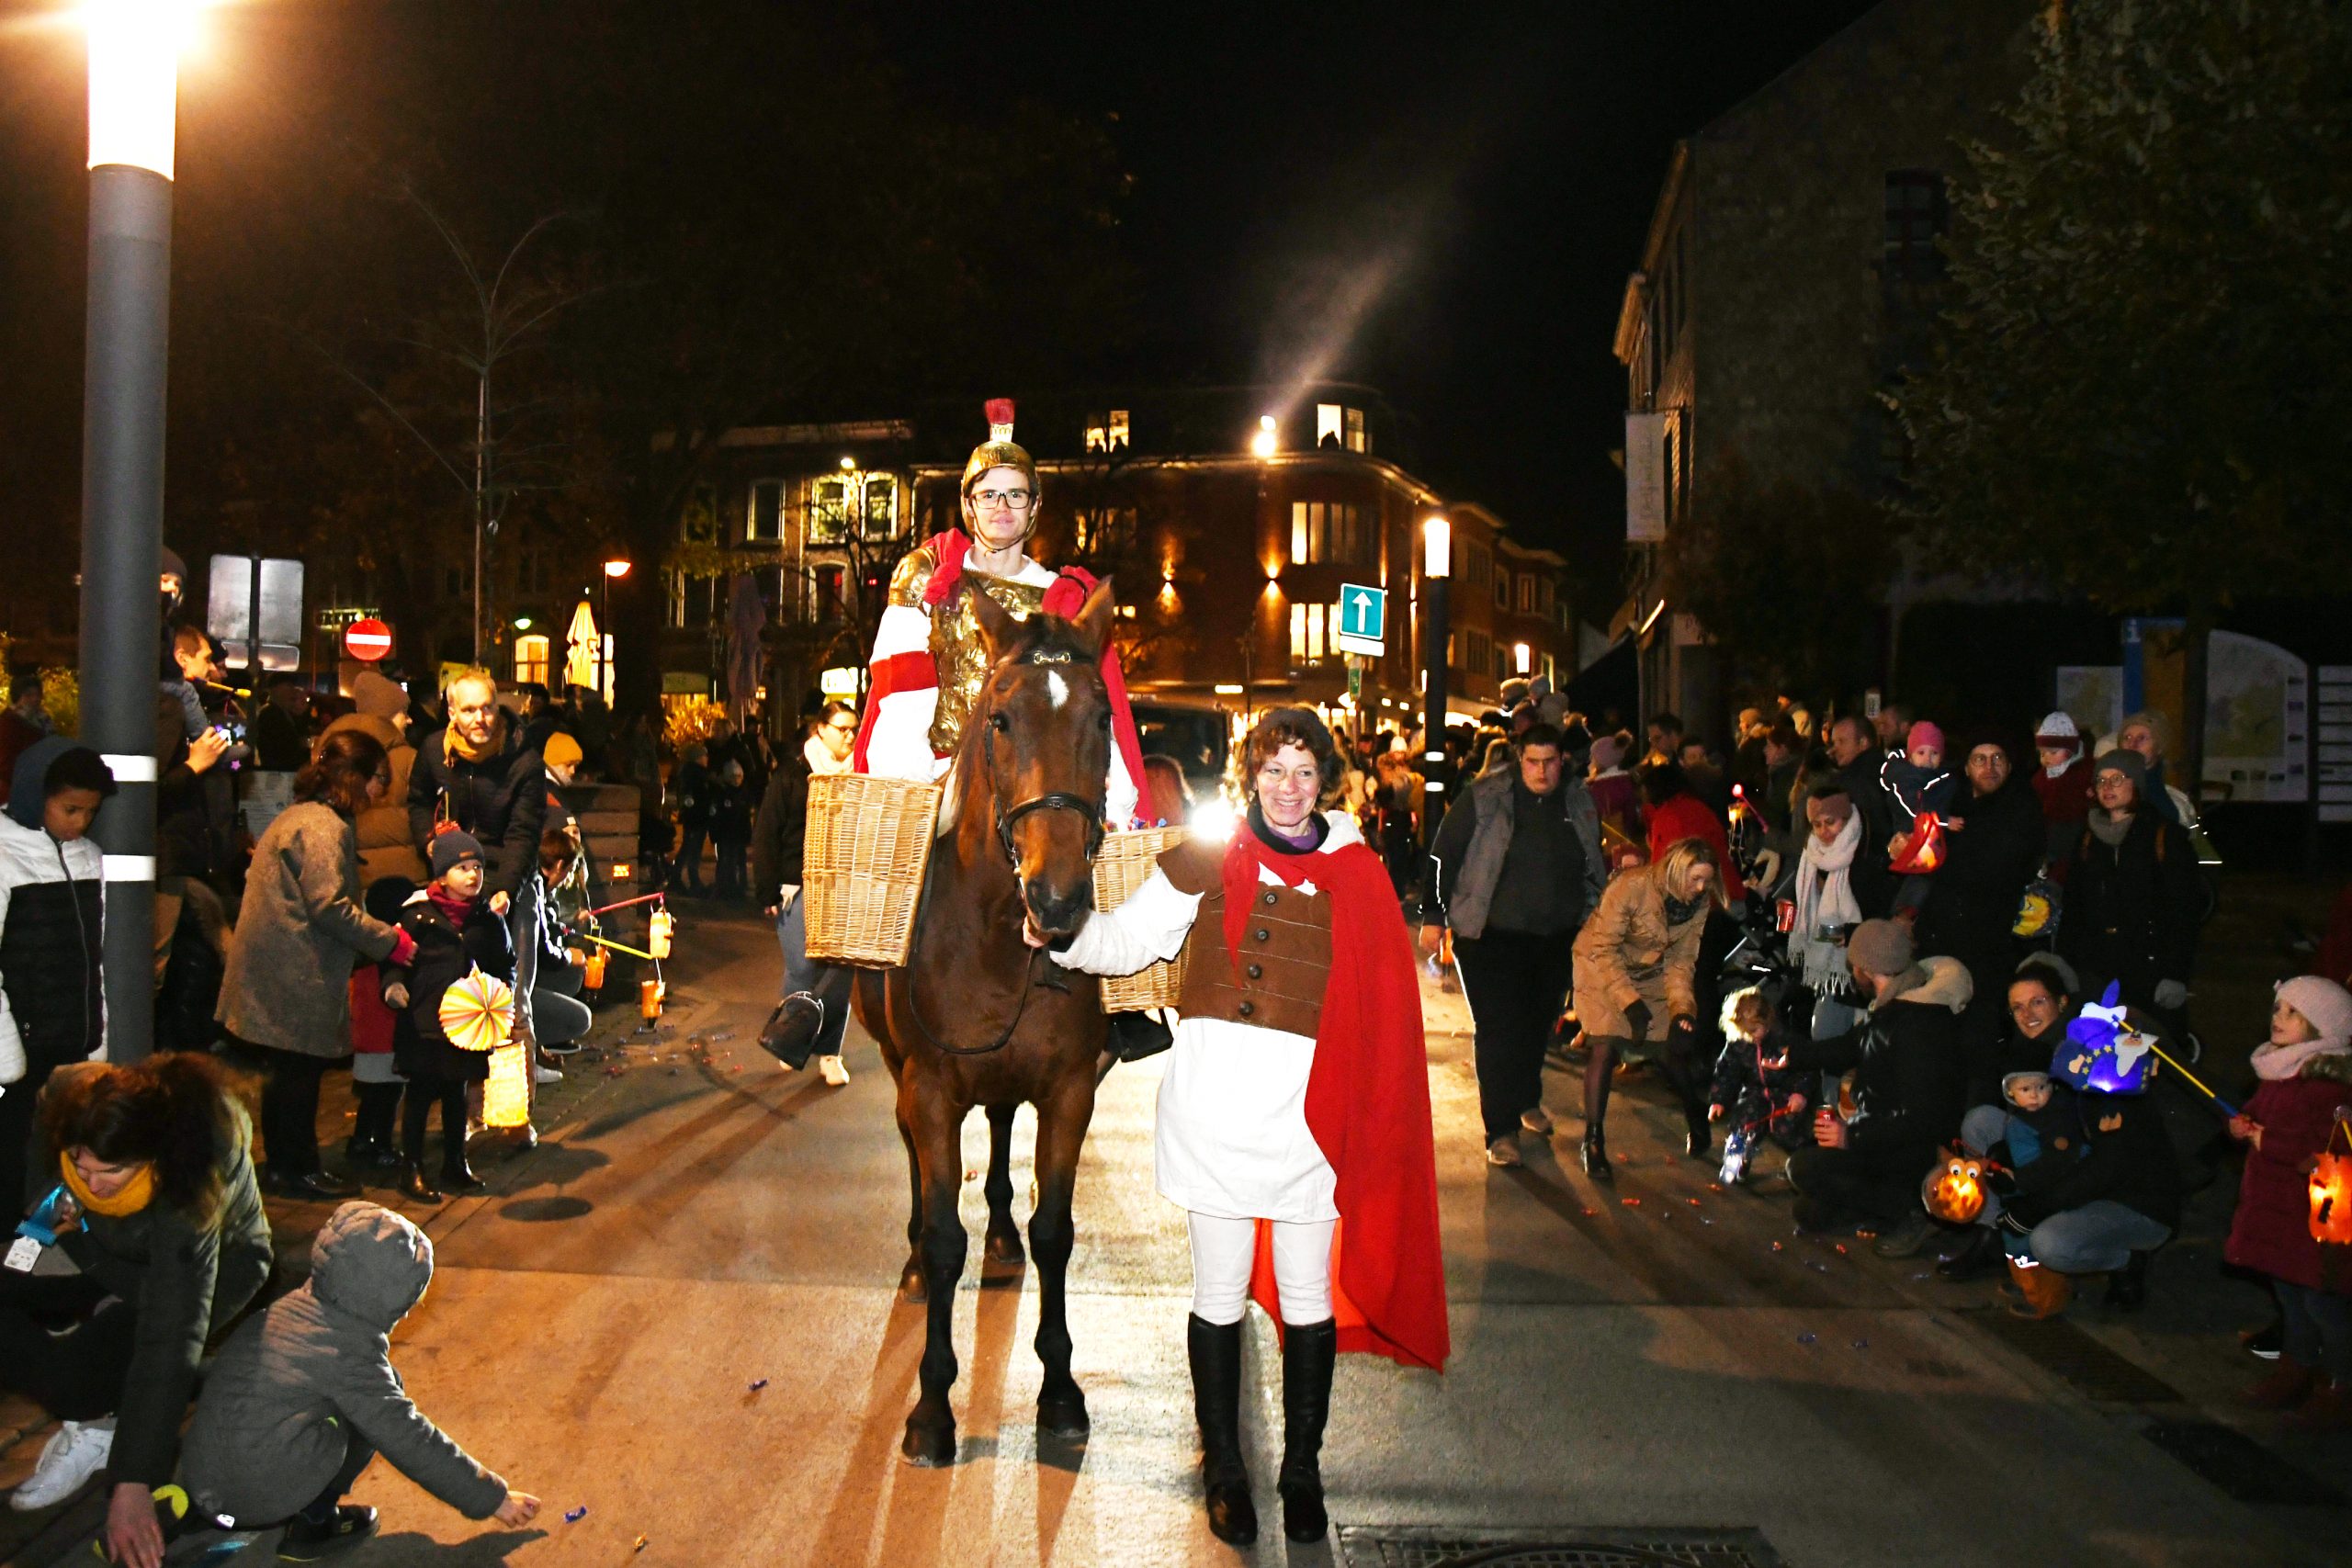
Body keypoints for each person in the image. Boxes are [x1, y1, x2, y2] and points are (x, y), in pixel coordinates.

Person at [1043, 707, 1447, 1546]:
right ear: (1250, 776)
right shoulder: (1207, 854)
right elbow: (1129, 940)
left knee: (1306, 1301)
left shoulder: (1358, 872)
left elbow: (1383, 1014)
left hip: (1310, 1122)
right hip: (1215, 1110)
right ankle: (1223, 1464)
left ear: (1324, 781)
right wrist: (1066, 934)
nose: (1288, 789)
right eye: (1273, 770)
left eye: (1303, 772)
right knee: (1217, 1295)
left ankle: (1303, 1466)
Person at [858, 403, 1167, 1060]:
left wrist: (1113, 799)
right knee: (869, 859)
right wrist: (918, 782)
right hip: (945, 768)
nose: (1003, 506)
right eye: (990, 494)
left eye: (1016, 495)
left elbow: (1090, 703)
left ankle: (1122, 1004)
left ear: (1034, 507)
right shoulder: (928, 585)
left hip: (1041, 770)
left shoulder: (1062, 593)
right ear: (969, 505)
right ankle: (824, 986)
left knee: (1087, 843)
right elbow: (901, 691)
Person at [0, 1054, 270, 1568]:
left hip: (203, 1273)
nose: (93, 1183)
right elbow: (42, 1167)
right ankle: (113, 1363)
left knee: (82, 1379)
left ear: (152, 1159)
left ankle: (114, 1423)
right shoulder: (70, 1095)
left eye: (111, 1172)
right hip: (101, 1250)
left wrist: (134, 1482)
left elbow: (171, 1331)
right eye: (81, 1166)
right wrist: (54, 1207)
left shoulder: (192, 1178)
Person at [183, 1201, 538, 1554]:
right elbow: (409, 1437)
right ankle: (315, 1523)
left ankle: (224, 1514)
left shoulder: (286, 1310)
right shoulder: (347, 1357)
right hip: (251, 1498)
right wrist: (493, 1498)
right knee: (373, 1411)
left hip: (202, 1486)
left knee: (347, 1399)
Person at [218, 730, 413, 1201]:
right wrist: (390, 942)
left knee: (284, 1076)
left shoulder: (298, 817)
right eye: (377, 779)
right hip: (293, 971)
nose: (379, 792)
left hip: (272, 968)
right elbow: (329, 905)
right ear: (354, 776)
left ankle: (285, 1167)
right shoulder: (326, 826)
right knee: (298, 1077)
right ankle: (296, 1168)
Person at [1429, 723, 1604, 1168]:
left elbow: (1590, 858)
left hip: (1555, 934)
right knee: (1499, 1027)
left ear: (1562, 760)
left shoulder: (1578, 799)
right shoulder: (1487, 796)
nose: (1542, 771)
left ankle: (1527, 1099)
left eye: (1550, 762)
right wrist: (1433, 914)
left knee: (1536, 1023)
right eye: (1533, 761)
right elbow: (1443, 852)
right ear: (1518, 759)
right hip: (1490, 933)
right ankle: (1500, 1128)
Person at [1781, 918, 1970, 1249]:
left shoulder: (1916, 1023)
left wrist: (1850, 1136)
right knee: (1809, 1212)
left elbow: (1921, 1117)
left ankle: (1915, 1210)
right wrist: (1789, 1054)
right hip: (1881, 1137)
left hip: (1908, 1152)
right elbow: (1849, 1047)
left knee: (1803, 1167)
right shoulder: (1895, 1008)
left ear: (1865, 969)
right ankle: (1881, 1212)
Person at [407, 668, 547, 1087]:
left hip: (506, 875)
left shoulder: (522, 758)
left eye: (487, 707)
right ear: (452, 711)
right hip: (452, 880)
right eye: (468, 710)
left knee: (510, 994)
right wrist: (429, 842)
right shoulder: (434, 750)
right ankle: (457, 1095)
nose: (480, 718)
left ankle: (515, 1100)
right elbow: (416, 799)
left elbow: (525, 832)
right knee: (452, 987)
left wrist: (506, 886)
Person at [2226, 976, 2352, 1425]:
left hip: (2314, 1218)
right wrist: (2244, 1127)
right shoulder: (2279, 1071)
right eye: (2277, 1009)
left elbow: (2321, 1148)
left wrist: (2268, 1139)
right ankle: (2295, 1368)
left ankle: (2340, 1382)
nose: (2278, 1019)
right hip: (2276, 1209)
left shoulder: (2328, 1088)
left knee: (2321, 1301)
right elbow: (2262, 1117)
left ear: (2322, 1027)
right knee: (2289, 1294)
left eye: (2292, 1013)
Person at [0, 740, 113, 1206]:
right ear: (34, 796)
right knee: (12, 1155)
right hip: (20, 1044)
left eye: (90, 811)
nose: (81, 822)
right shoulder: (6, 857)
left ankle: (43, 1241)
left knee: (58, 1156)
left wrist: (97, 1036)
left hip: (69, 1038)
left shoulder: (88, 856)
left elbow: (96, 957)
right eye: (71, 809)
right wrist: (8, 1059)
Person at [1570, 839, 1719, 1178]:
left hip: (1650, 970)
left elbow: (1681, 963)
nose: (1700, 888)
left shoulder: (1697, 905)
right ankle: (1593, 1140)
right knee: (1604, 1046)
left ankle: (1696, 1111)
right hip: (1600, 964)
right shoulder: (1631, 886)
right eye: (1694, 879)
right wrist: (1629, 1003)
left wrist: (1683, 1010)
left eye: (1706, 881)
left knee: (1667, 1050)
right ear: (1676, 870)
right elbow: (1604, 948)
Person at [380, 831, 511, 1204]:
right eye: (462, 868)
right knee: (420, 1094)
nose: (472, 875)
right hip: (423, 1021)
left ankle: (455, 1162)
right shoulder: (417, 916)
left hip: (467, 1024)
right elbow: (394, 959)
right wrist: (392, 987)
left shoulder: (486, 919)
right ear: (441, 875)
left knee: (456, 1092)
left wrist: (501, 1000)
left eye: (477, 868)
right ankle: (413, 1167)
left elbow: (505, 965)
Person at [1914, 735, 2046, 1100]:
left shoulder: (2019, 807)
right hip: (1943, 934)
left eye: (1998, 757)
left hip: (1989, 940)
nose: (1990, 767)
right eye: (1980, 759)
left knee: (1980, 1035)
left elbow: (1996, 869)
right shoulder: (1951, 801)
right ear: (1967, 766)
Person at [754, 702, 858, 1085]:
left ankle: (830, 1054)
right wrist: (766, 891)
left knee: (841, 970)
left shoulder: (859, 774)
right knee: (802, 968)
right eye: (842, 728)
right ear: (821, 730)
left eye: (854, 729)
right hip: (795, 888)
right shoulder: (793, 776)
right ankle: (789, 1038)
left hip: (843, 887)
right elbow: (767, 832)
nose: (850, 736)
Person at [2056, 750, 2202, 1022]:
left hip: (2149, 968)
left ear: (2136, 783)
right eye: (2100, 780)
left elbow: (2184, 909)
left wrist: (2175, 973)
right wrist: (2068, 960)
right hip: (2096, 967)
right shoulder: (2088, 838)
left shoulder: (2164, 836)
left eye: (2117, 779)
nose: (2107, 787)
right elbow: (2074, 905)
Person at [322, 670, 429, 888]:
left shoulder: (328, 754)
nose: (409, 719)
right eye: (403, 712)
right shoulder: (409, 759)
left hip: (348, 875)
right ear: (385, 714)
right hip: (405, 878)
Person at [1709, 990, 1813, 1184]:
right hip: (1755, 1090)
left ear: (1767, 1022)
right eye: (1745, 1032)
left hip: (1785, 1093)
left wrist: (1800, 1093)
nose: (1751, 1037)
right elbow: (1726, 1071)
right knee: (1743, 1123)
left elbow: (1804, 1068)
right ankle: (1739, 1160)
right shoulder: (1739, 1043)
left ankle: (1807, 1167)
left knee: (1788, 1132)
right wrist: (1719, 1100)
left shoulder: (1784, 1040)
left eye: (1755, 1030)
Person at [1641, 760, 1744, 898]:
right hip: (1725, 888)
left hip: (1702, 899)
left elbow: (1666, 863)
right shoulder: (1699, 807)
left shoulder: (1668, 817)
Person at [2030, 712, 2094, 874]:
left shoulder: (2085, 772)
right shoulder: (2041, 777)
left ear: (2070, 750)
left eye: (2052, 753)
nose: (2046, 758)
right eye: (2042, 753)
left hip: (2076, 834)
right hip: (2049, 834)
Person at [2118, 709, 2192, 828]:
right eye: (2127, 737)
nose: (2132, 744)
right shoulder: (2106, 790)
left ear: (2159, 748)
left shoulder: (2176, 803)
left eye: (2142, 738)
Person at [1586, 733, 1642, 863]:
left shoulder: (1597, 788)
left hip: (1604, 844)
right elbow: (1631, 813)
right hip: (1625, 839)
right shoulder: (1627, 782)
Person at [0, 670, 51, 807]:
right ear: (18, 697)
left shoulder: (43, 721)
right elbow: (5, 763)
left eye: (37, 694)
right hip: (12, 792)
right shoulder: (9, 723)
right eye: (28, 695)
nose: (35, 699)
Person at [707, 756, 752, 899]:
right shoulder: (721, 794)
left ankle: (739, 887)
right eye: (733, 776)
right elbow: (715, 816)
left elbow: (745, 818)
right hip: (725, 835)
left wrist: (747, 835)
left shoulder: (743, 794)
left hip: (738, 835)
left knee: (740, 862)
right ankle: (723, 886)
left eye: (739, 776)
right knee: (724, 861)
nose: (736, 779)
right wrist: (714, 834)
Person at [253, 675, 314, 773]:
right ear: (275, 689)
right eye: (288, 686)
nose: (292, 691)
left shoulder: (285, 712)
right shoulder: (270, 713)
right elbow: (284, 748)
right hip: (278, 773)